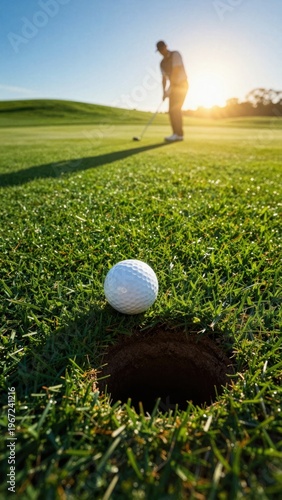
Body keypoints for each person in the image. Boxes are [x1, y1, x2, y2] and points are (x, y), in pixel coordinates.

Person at [156, 40, 188, 142]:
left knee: (176, 109)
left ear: (166, 46)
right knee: (171, 110)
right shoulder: (162, 63)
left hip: (182, 85)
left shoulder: (175, 54)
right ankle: (176, 134)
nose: (161, 51)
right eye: (159, 50)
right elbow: (164, 78)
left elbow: (176, 69)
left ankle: (179, 134)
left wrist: (172, 85)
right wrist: (164, 92)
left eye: (162, 48)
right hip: (173, 87)